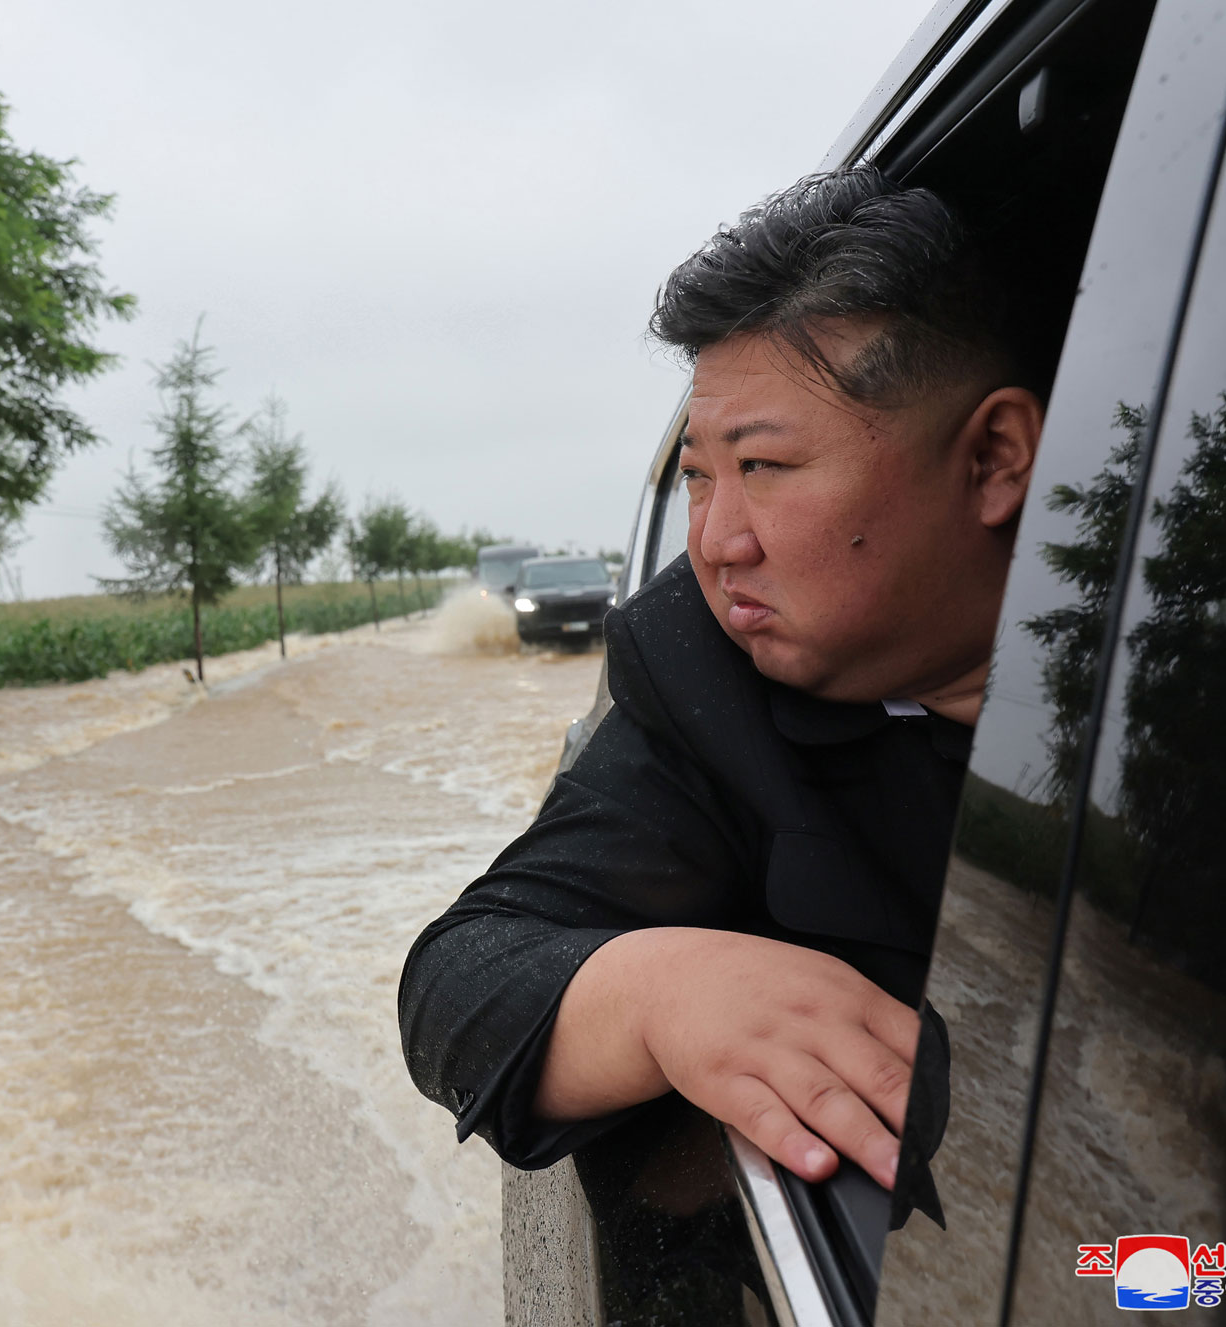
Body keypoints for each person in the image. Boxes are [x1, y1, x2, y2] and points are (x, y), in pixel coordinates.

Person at [397, 168, 1047, 1211]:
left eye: (765, 468)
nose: (713, 542)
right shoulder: (700, 672)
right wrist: (655, 993)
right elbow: (460, 983)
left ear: (992, 459)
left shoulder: (1225, 674)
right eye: (699, 475)